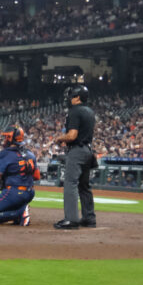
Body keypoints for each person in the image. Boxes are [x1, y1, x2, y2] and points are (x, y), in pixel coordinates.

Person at [53, 84, 96, 229]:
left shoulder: (74, 111)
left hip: (77, 151)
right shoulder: (89, 111)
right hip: (88, 151)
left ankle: (71, 219)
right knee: (84, 186)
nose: (69, 98)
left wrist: (60, 138)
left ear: (77, 97)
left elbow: (72, 135)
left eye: (72, 96)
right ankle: (89, 218)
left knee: (70, 183)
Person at [0, 126, 38, 226]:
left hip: (14, 193)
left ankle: (19, 213)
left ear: (12, 138)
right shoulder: (30, 154)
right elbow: (37, 176)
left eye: (7, 137)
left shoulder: (6, 154)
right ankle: (19, 211)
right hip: (30, 193)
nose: (5, 139)